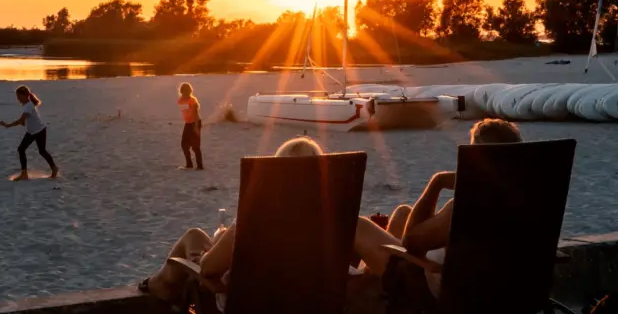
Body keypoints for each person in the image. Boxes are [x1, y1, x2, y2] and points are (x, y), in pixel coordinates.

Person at [140, 136, 324, 307]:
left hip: (251, 303)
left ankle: (157, 286)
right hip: (313, 301)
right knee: (196, 236)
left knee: (191, 240)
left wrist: (218, 244)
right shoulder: (336, 219)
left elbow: (208, 268)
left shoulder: (257, 215)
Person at [352, 119, 525, 300]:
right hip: (508, 283)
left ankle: (369, 289)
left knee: (358, 225)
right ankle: (372, 279)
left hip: (438, 284)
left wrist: (438, 182)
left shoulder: (469, 205)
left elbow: (411, 244)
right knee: (403, 212)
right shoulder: (529, 195)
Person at [0, 86, 58, 179]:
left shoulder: (28, 106)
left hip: (39, 131)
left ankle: (53, 169)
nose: (18, 99)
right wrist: (24, 122)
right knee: (22, 149)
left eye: (19, 96)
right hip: (32, 132)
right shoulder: (27, 105)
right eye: (17, 97)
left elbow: (20, 120)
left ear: (24, 95)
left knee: (40, 151)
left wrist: (7, 125)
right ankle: (24, 174)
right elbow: (24, 121)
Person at [178, 82, 204, 170]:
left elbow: (196, 115)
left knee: (195, 145)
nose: (187, 93)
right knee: (184, 144)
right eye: (185, 91)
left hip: (195, 122)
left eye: (188, 91)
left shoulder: (192, 101)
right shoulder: (180, 100)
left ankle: (200, 166)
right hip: (188, 123)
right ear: (182, 91)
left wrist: (196, 127)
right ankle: (189, 164)